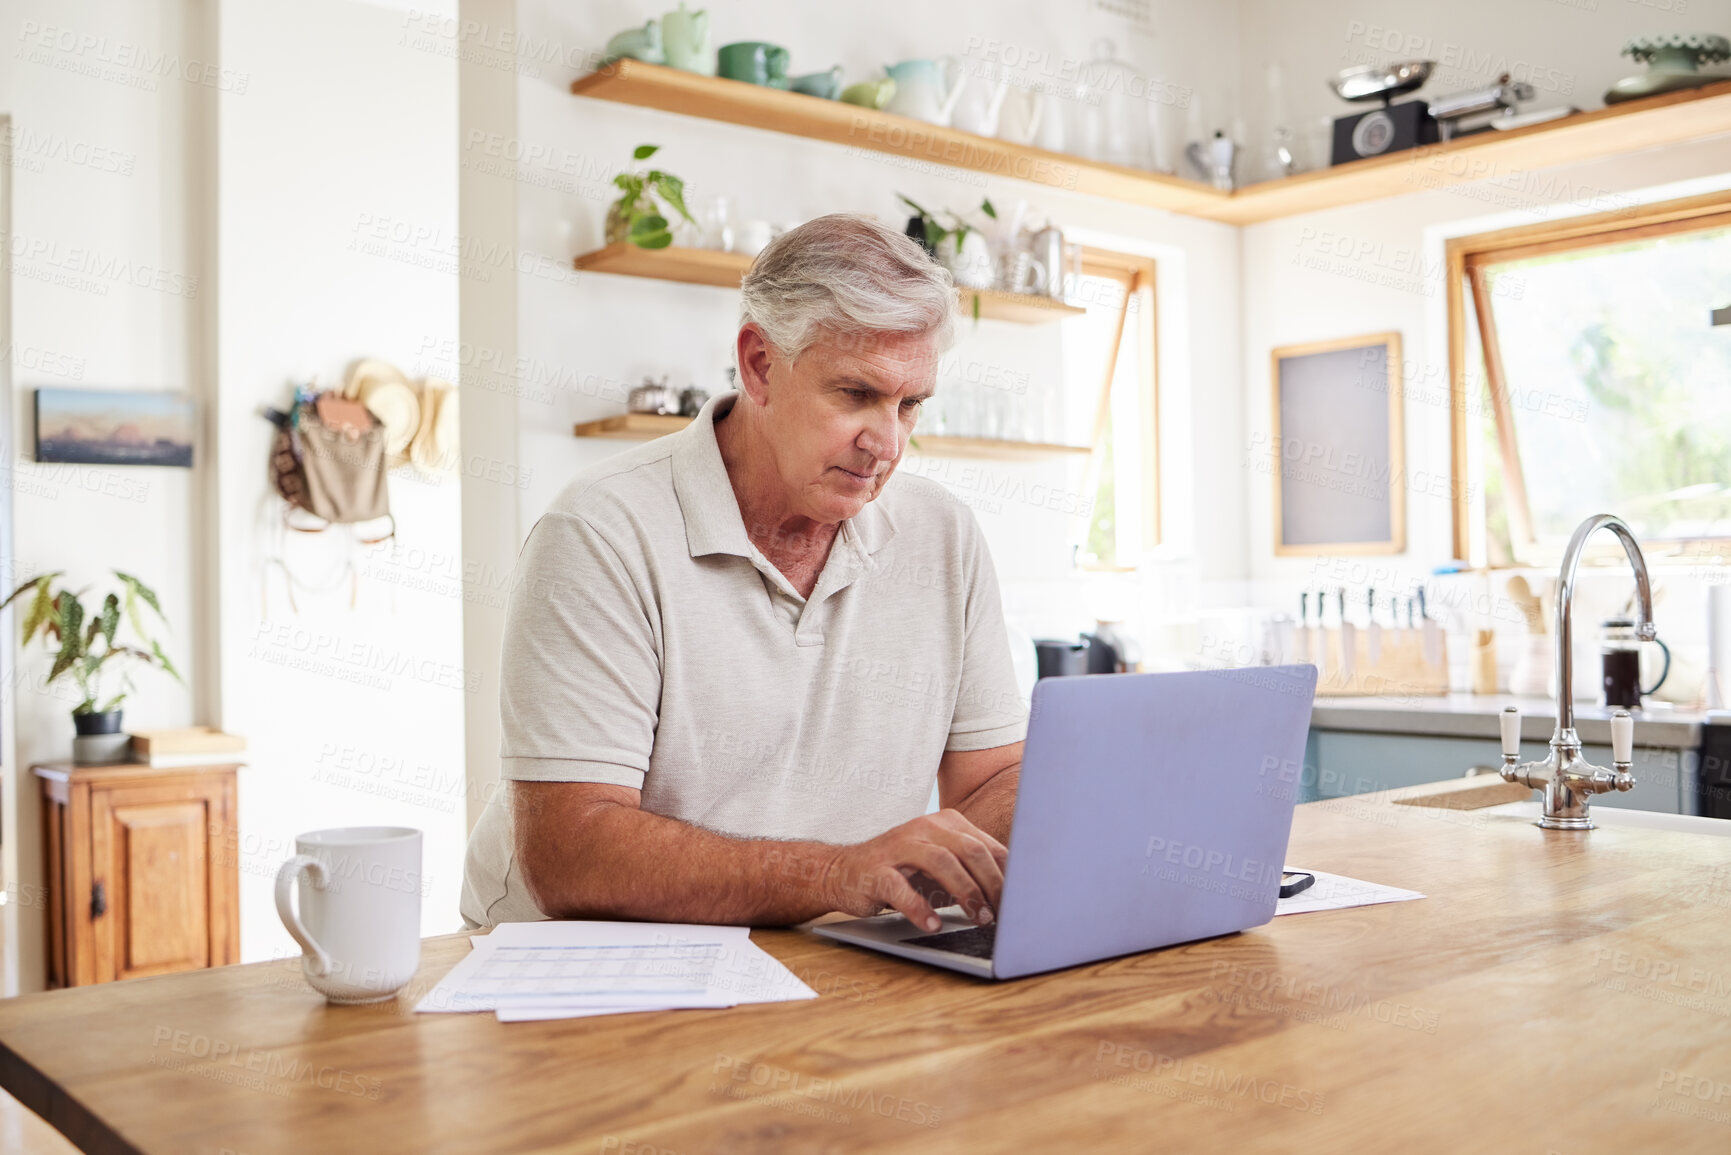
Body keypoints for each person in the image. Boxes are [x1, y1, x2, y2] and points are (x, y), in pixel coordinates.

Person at [460, 213, 1026, 935]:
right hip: (581, 971)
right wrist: (836, 871)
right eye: (854, 393)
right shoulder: (601, 531)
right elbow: (570, 852)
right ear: (759, 364)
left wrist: (905, 874)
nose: (885, 441)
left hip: (825, 947)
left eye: (908, 404)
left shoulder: (944, 535)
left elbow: (993, 780)